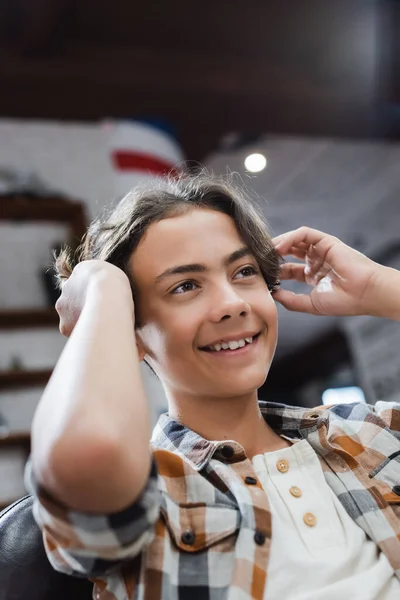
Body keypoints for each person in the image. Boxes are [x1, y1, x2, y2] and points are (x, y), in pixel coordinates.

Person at [26, 172, 400, 600]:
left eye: (244, 272)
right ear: (132, 332)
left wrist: (382, 288)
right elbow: (91, 450)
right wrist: (102, 285)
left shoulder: (372, 434)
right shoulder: (154, 496)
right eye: (185, 286)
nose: (232, 303)